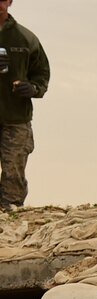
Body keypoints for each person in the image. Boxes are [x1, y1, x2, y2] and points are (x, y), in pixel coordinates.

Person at [0, 0, 49, 213]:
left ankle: (8, 219)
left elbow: (41, 73)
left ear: (10, 2)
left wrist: (32, 88)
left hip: (15, 119)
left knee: (13, 176)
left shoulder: (26, 38)